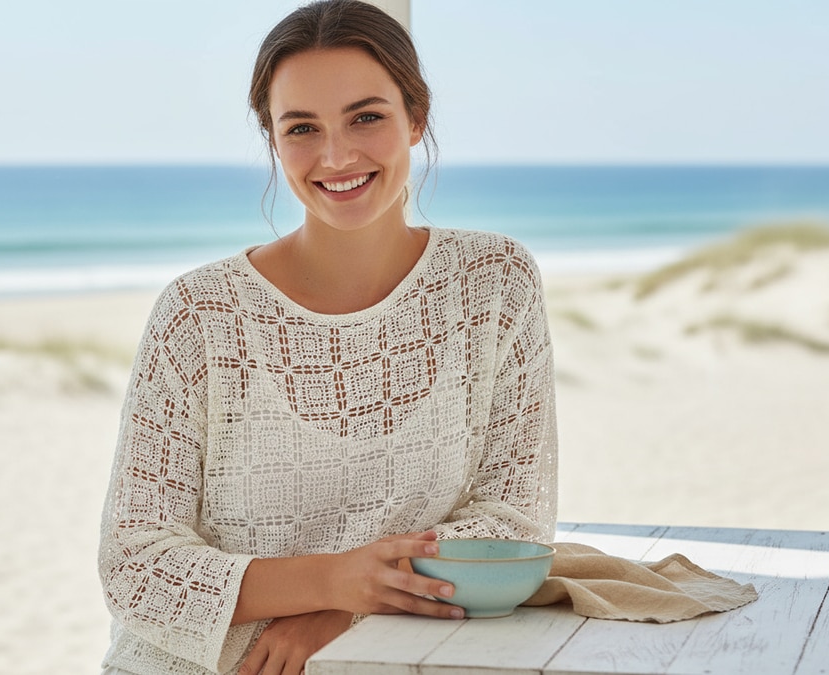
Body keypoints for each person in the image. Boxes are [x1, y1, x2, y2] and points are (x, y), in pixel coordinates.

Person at [97, 1, 558, 673]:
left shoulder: (493, 283)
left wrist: (350, 605)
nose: (336, 155)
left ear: (416, 118)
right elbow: (134, 564)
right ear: (273, 140)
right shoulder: (198, 314)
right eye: (302, 128)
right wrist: (331, 580)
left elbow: (514, 518)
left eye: (366, 116)